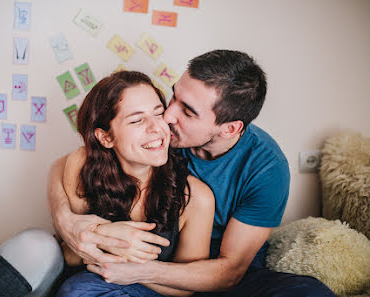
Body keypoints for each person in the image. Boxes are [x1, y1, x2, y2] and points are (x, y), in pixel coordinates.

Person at [49, 50, 337, 296]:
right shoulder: (160, 138)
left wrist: (137, 269)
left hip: (219, 276)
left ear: (229, 128)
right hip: (160, 258)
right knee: (82, 289)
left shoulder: (266, 168)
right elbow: (70, 163)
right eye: (174, 96)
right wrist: (68, 221)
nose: (168, 116)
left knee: (310, 292)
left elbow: (230, 271)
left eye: (188, 111)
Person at [55, 71, 215, 296]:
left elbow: (185, 290)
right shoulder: (81, 168)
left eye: (158, 114)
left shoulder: (196, 197)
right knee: (78, 286)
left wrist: (134, 271)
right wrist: (106, 236)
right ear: (106, 137)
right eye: (137, 120)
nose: (156, 128)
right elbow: (69, 255)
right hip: (87, 285)